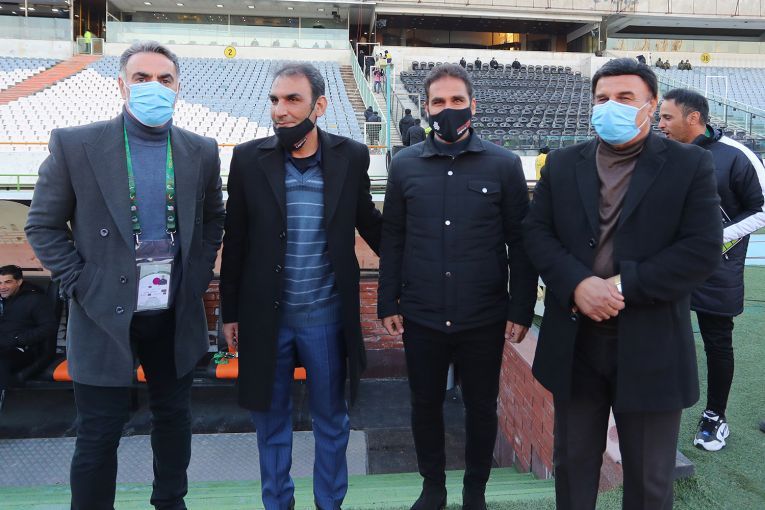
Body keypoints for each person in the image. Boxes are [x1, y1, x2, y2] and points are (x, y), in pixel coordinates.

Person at [25, 41, 225, 510]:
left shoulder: (200, 150)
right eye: (142, 78)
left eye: (165, 79)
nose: (154, 86)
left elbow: (214, 218)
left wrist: (196, 276)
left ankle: (170, 502)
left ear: (178, 88)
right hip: (102, 312)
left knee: (174, 420)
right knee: (98, 432)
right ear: (121, 85)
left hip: (172, 311)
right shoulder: (75, 144)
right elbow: (43, 226)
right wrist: (81, 282)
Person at [523, 58, 722, 510]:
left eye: (624, 97)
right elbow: (536, 233)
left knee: (650, 480)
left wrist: (617, 287)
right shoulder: (562, 163)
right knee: (573, 468)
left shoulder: (689, 164)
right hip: (576, 343)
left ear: (651, 105)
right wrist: (578, 283)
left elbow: (700, 249)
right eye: (602, 98)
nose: (610, 105)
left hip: (651, 342)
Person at [220, 62, 382, 510]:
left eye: (293, 99)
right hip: (265, 319)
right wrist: (229, 313)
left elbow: (370, 223)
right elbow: (236, 241)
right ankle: (278, 503)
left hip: (326, 318)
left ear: (319, 105)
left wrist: (414, 269)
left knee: (332, 421)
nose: (280, 110)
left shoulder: (351, 156)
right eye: (274, 100)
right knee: (270, 424)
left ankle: (329, 503)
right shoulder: (248, 159)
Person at [378, 63, 538, 510]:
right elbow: (394, 237)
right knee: (424, 403)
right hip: (421, 312)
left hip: (483, 315)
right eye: (438, 102)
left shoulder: (504, 165)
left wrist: (521, 309)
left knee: (482, 407)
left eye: (456, 100)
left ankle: (474, 492)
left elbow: (520, 243)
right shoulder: (404, 164)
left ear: (473, 105)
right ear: (426, 108)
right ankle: (432, 488)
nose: (447, 109)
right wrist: (388, 301)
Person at [658, 88, 765, 451]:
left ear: (693, 118)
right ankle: (657, 406)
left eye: (667, 117)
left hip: (717, 268)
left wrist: (713, 239)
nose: (661, 124)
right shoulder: (661, 153)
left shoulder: (737, 155)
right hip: (667, 265)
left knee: (717, 340)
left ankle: (715, 416)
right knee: (661, 334)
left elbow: (761, 210)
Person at [0, 265, 58, 410]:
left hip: (20, 349)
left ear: (19, 281)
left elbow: (49, 327)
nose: (2, 287)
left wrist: (17, 339)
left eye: (7, 282)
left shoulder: (36, 300)